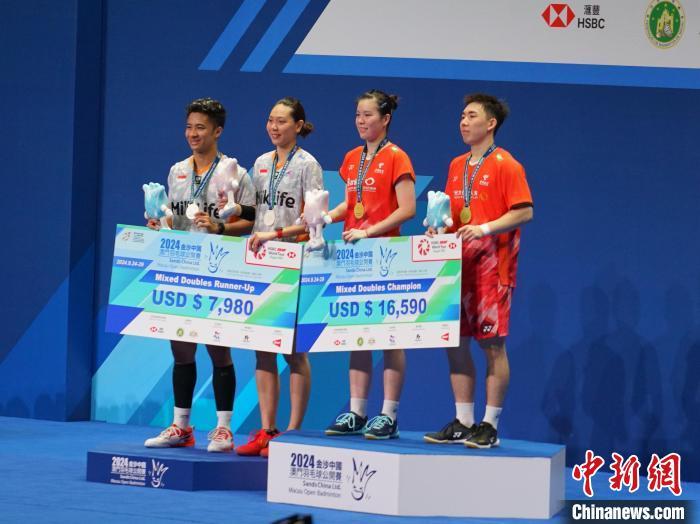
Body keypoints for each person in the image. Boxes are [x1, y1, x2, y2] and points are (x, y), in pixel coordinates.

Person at [144, 97, 256, 452]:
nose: (193, 133)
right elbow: (173, 217)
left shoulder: (237, 173)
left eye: (201, 128)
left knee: (219, 350)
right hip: (182, 270)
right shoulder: (177, 170)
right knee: (181, 349)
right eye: (189, 127)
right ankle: (181, 426)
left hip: (219, 270)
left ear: (217, 131)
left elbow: (250, 220)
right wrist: (160, 223)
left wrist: (220, 227)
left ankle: (223, 429)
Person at [423, 93, 533, 449]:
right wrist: (438, 228)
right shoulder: (457, 165)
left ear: (491, 123)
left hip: (492, 268)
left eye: (471, 116)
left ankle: (490, 424)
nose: (463, 122)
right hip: (458, 268)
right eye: (462, 116)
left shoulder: (506, 164)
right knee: (455, 342)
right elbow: (453, 214)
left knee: (492, 345)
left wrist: (484, 228)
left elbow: (524, 211)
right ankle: (464, 421)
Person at [232, 97, 323, 458]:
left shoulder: (308, 165)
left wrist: (277, 235)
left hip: (295, 262)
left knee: (294, 352)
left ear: (298, 126)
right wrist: (230, 210)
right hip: (262, 262)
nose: (274, 127)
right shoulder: (259, 163)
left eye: (282, 121)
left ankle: (294, 431)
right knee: (263, 349)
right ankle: (267, 430)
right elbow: (253, 212)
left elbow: (314, 221)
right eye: (270, 120)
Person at [324, 89, 416, 440]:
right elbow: (352, 204)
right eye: (358, 115)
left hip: (387, 256)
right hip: (354, 256)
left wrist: (370, 231)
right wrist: (326, 217)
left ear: (386, 118)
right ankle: (357, 412)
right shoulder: (353, 158)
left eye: (368, 115)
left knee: (390, 336)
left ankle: (388, 415)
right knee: (356, 335)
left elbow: (407, 209)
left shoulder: (397, 157)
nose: (361, 121)